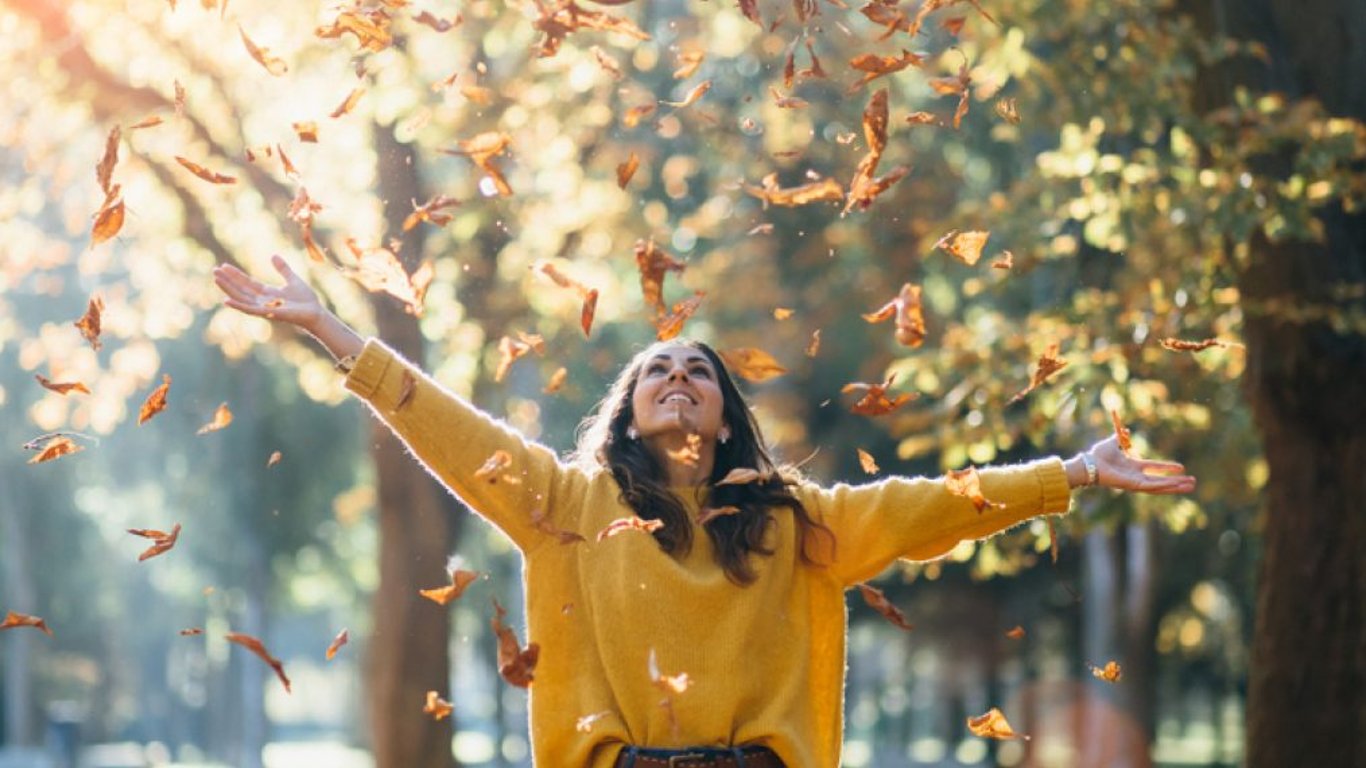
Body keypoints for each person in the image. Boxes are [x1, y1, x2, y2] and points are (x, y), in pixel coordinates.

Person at [213, 256, 1196, 768]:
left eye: (699, 372)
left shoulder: (792, 521)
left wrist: (1076, 470)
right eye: (657, 370)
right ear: (628, 410)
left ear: (725, 417)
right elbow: (445, 426)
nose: (678, 376)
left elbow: (942, 504)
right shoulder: (563, 503)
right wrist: (328, 329)